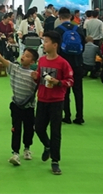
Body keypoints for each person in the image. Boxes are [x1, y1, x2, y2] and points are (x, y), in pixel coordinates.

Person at [0, 38, 37, 167]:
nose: (23, 57)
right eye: (23, 55)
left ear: (32, 61)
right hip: (16, 106)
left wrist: (38, 78)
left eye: (27, 56)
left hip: (29, 107)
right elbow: (1, 59)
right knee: (16, 129)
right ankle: (15, 152)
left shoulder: (34, 74)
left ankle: (27, 149)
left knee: (29, 129)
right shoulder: (14, 68)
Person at [33, 31, 74, 176]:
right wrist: (35, 77)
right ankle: (48, 145)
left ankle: (55, 161)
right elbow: (39, 79)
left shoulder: (63, 63)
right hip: (42, 100)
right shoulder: (42, 61)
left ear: (55, 45)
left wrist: (58, 82)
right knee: (38, 128)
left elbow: (70, 81)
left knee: (56, 132)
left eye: (46, 42)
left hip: (57, 102)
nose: (44, 44)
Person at [54, 7, 85, 125]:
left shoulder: (57, 30)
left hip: (64, 64)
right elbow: (83, 47)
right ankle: (80, 116)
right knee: (78, 91)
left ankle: (67, 115)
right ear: (71, 17)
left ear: (60, 17)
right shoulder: (79, 29)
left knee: (64, 90)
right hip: (78, 63)